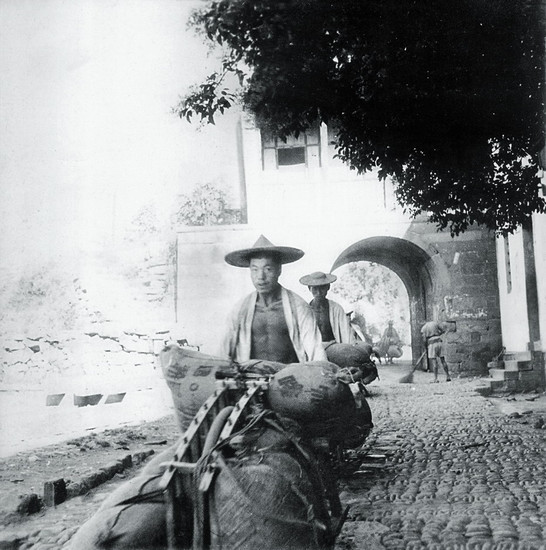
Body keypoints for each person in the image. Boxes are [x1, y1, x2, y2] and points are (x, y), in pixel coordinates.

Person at [221, 235, 327, 363]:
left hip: (289, 376)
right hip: (251, 376)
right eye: (255, 270)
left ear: (279, 270)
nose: (261, 276)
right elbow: (223, 353)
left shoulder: (298, 307)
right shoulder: (240, 309)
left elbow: (315, 349)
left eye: (268, 269)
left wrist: (323, 371)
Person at [299, 271, 356, 344]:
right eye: (315, 289)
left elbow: (346, 334)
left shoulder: (336, 309)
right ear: (309, 289)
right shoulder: (304, 311)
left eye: (322, 288)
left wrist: (351, 347)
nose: (319, 292)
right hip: (313, 348)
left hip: (333, 346)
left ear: (328, 287)